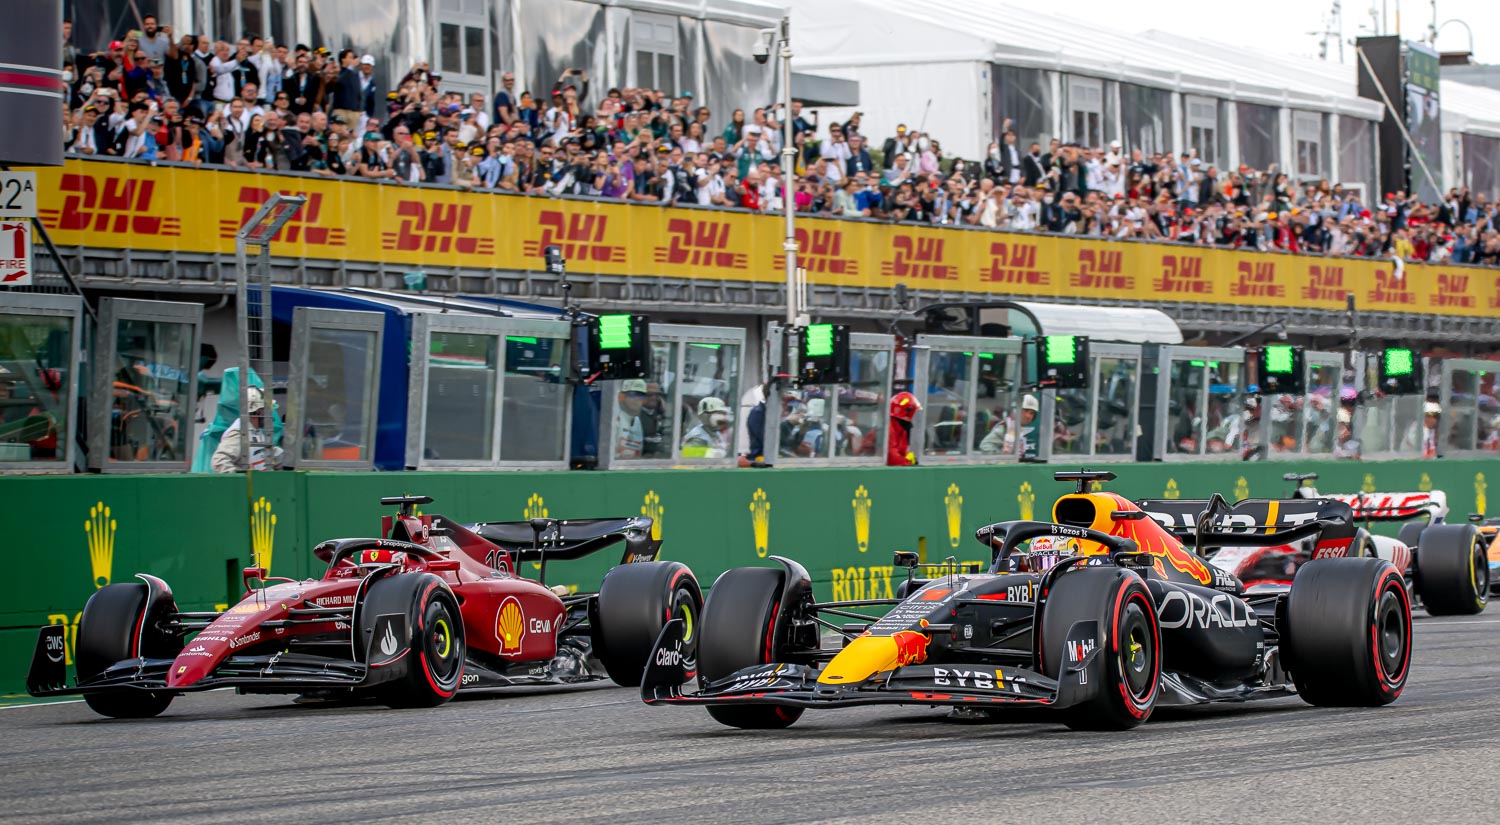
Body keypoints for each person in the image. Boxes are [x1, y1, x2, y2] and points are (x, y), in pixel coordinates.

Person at [210, 387, 283, 473]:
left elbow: (267, 452)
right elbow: (219, 461)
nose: (271, 416)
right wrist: (240, 481)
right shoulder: (239, 433)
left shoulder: (256, 431)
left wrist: (289, 460)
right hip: (247, 486)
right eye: (267, 411)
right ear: (258, 412)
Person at [614, 378, 647, 460]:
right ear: (621, 397)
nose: (637, 399)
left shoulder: (637, 421)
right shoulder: (614, 419)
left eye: (640, 395)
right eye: (632, 394)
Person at [887, 391, 921, 466]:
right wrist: (908, 463)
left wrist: (908, 458)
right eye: (912, 413)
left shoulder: (901, 429)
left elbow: (902, 451)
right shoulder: (888, 428)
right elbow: (891, 457)